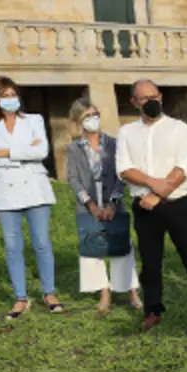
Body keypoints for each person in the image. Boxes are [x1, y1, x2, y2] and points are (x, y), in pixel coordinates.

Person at [117, 79, 187, 331]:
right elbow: (124, 169)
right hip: (145, 207)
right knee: (150, 263)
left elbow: (185, 165)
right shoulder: (127, 132)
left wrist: (160, 194)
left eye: (155, 96)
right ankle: (153, 310)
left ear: (161, 97)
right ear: (134, 102)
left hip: (177, 205)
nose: (151, 101)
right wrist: (153, 185)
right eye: (144, 98)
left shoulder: (178, 129)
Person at [0, 76, 63, 320]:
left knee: (42, 242)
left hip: (35, 187)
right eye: (4, 96)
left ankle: (49, 292)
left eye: (13, 94)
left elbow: (41, 152)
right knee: (13, 245)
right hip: (4, 189)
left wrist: (4, 151)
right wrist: (22, 151)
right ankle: (20, 297)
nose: (10, 100)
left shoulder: (34, 120)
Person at [66, 99, 141, 313]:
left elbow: (122, 174)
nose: (93, 119)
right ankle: (104, 290)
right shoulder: (74, 148)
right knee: (92, 244)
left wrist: (113, 203)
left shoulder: (114, 143)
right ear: (79, 120)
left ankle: (131, 290)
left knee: (121, 243)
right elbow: (72, 177)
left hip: (112, 199)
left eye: (95, 114)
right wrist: (89, 203)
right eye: (88, 116)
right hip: (88, 201)